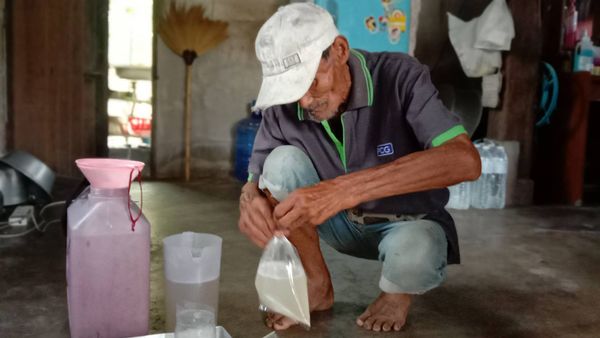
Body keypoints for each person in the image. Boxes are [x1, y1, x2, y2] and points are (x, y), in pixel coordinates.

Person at [238, 2, 481, 333]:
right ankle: (316, 283)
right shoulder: (285, 105)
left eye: (311, 82)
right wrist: (250, 197)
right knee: (280, 165)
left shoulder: (400, 77)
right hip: (336, 225)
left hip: (406, 225)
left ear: (339, 50)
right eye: (293, 90)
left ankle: (396, 294)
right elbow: (258, 171)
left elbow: (464, 160)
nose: (305, 101)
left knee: (417, 250)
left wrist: (343, 190)